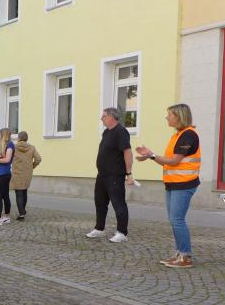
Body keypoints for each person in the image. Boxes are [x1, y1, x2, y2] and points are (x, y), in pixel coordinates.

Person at [135, 104, 200, 268]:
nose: (167, 117)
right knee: (174, 220)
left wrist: (152, 155)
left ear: (179, 116)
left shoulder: (188, 135)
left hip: (184, 184)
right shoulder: (178, 135)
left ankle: (185, 257)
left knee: (177, 220)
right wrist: (150, 156)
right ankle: (180, 253)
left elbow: (174, 161)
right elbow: (168, 161)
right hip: (174, 184)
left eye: (170, 114)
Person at [86, 108, 134, 243]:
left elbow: (127, 152)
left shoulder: (121, 131)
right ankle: (99, 229)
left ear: (111, 117)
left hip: (115, 175)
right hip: (102, 175)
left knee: (118, 204)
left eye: (104, 116)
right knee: (100, 202)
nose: (101, 118)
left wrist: (129, 173)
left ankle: (122, 233)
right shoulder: (106, 132)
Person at [10, 131, 42, 221]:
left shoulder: (14, 147)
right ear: (27, 138)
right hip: (27, 173)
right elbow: (38, 159)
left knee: (19, 193)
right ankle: (23, 211)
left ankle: (21, 214)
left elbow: (9, 158)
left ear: (19, 138)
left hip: (17, 173)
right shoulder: (32, 147)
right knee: (24, 191)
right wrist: (32, 166)